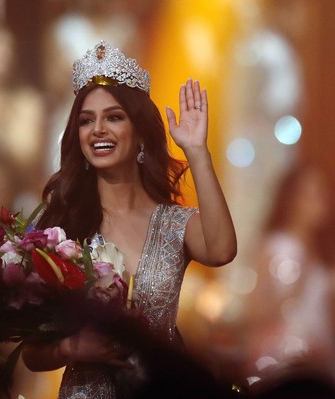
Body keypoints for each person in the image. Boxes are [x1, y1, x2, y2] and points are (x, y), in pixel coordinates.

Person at [21, 41, 237, 398]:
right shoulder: (61, 226)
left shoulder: (172, 223)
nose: (98, 129)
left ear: (139, 133)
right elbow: (32, 351)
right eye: (87, 120)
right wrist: (69, 348)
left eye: (114, 117)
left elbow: (221, 250)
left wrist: (197, 152)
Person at [240, 162, 335, 392]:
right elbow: (255, 313)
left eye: (323, 192)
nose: (320, 199)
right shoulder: (275, 247)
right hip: (284, 358)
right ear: (292, 200)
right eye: (311, 193)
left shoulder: (325, 253)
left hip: (323, 354)